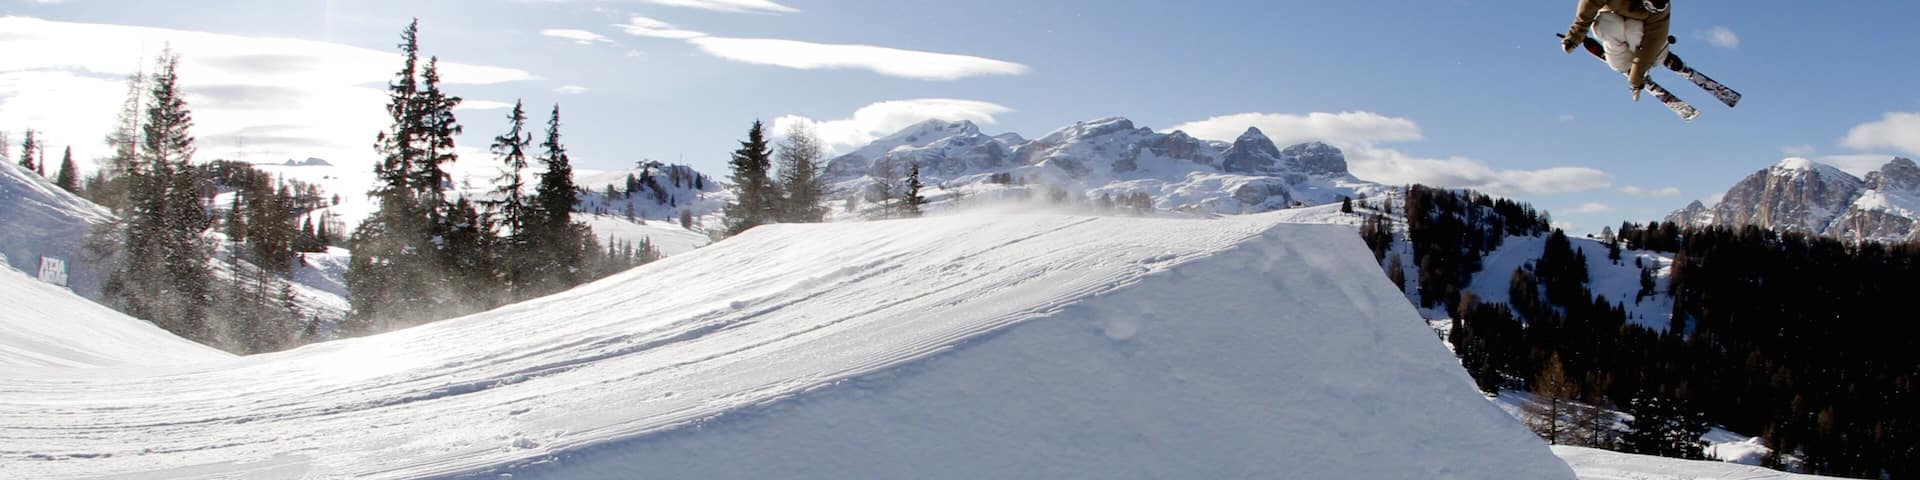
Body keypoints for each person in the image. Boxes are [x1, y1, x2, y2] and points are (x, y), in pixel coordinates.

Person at [1561, 0, 1671, 101]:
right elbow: (1589, 5)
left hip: (1642, 34)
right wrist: (1574, 36)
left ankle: (1655, 58)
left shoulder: (1660, 11)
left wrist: (1637, 75)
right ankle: (1625, 65)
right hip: (1613, 20)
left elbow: (1653, 41)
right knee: (1608, 24)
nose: (1653, 10)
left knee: (1633, 28)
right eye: (1650, 6)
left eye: (1657, 9)